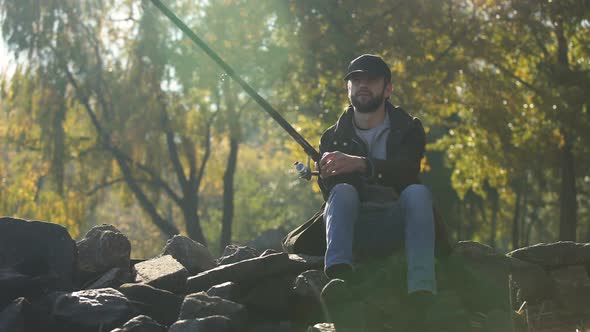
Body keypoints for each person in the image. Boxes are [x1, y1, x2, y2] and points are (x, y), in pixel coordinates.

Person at [317, 54, 437, 314]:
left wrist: (361, 163)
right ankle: (338, 277)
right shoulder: (331, 136)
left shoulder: (409, 128)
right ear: (348, 87)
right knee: (342, 191)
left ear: (388, 89)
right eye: (356, 80)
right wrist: (329, 172)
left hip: (398, 223)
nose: (363, 85)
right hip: (352, 225)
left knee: (418, 193)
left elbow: (407, 171)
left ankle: (422, 288)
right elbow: (332, 195)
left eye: (371, 80)